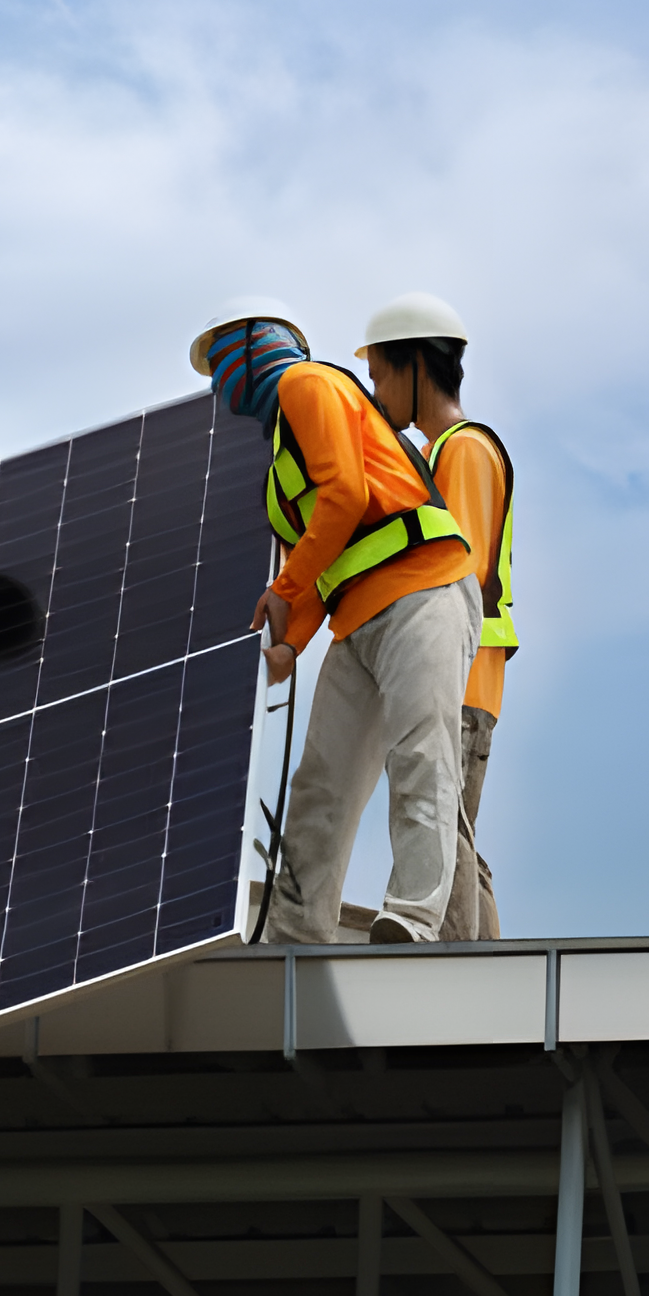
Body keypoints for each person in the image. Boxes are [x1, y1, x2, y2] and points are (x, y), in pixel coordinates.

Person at [189, 297, 479, 944]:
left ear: (252, 346)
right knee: (322, 783)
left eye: (218, 364)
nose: (216, 385)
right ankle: (296, 932)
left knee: (420, 756)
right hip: (359, 622)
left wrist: (283, 591)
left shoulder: (307, 382)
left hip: (424, 590)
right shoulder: (279, 471)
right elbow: (324, 564)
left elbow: (346, 495)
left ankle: (412, 918)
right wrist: (289, 644)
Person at [358, 293, 511, 941]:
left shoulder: (462, 450)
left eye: (380, 373)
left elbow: (459, 573)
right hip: (458, 673)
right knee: (452, 837)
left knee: (436, 831)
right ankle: (493, 982)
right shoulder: (443, 451)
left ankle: (450, 985)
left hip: (457, 675)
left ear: (417, 366)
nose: (374, 388)